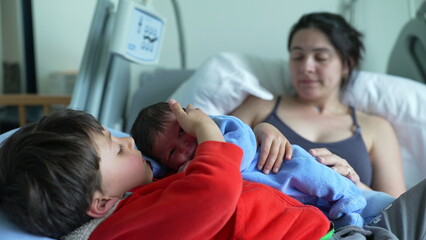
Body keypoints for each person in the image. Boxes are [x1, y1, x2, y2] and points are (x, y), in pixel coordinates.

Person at [0, 101, 333, 239]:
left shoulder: (140, 197)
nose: (129, 141)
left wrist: (260, 131)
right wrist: (208, 135)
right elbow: (213, 193)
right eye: (117, 149)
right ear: (100, 202)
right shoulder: (123, 226)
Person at [130, 102, 398, 228]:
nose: (185, 147)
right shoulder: (261, 104)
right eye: (173, 151)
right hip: (291, 205)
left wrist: (256, 129)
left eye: (181, 133)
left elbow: (239, 143)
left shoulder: (222, 129)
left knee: (317, 177)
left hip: (289, 169)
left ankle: (350, 208)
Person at [231, 12, 406, 197]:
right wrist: (253, 135)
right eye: (297, 57)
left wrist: (354, 184)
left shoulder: (375, 128)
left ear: (347, 65)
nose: (306, 67)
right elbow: (210, 150)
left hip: (349, 223)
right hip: (263, 215)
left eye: (321, 57)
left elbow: (397, 209)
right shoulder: (261, 106)